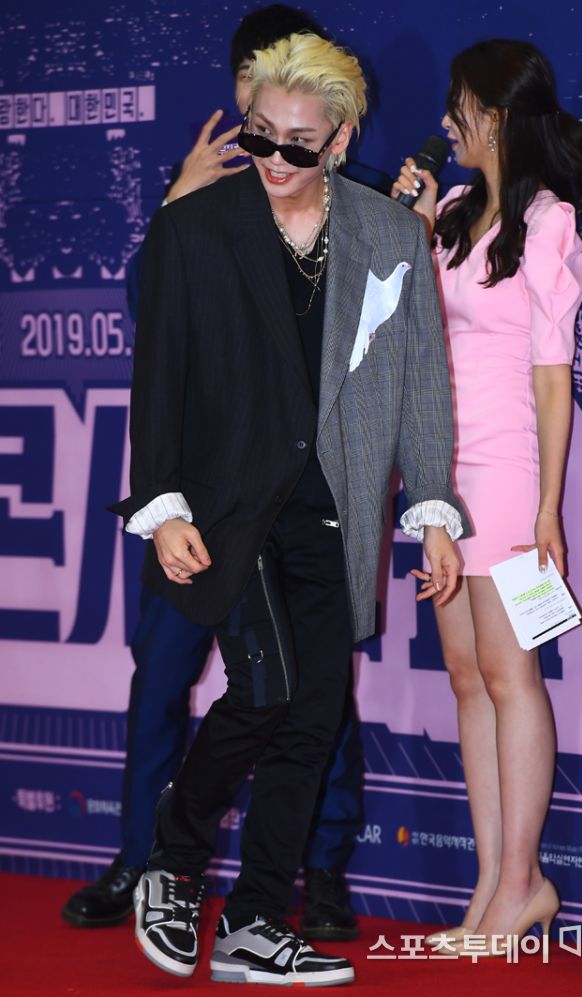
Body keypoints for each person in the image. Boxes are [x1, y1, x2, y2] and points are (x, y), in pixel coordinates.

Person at [112, 30, 467, 986]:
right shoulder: (195, 227)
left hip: (334, 507)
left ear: (340, 140)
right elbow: (160, 377)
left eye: (298, 143)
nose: (273, 157)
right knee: (267, 690)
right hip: (227, 505)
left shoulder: (390, 234)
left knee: (312, 717)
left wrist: (433, 506)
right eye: (260, 134)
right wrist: (163, 504)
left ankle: (257, 919)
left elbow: (421, 383)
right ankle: (174, 858)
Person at [61, 6, 363, 942]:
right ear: (241, 86)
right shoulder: (205, 187)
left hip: (299, 503)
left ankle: (318, 868)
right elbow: (150, 318)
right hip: (197, 497)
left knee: (311, 690)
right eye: (253, 82)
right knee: (163, 676)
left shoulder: (339, 200)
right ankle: (141, 857)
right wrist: (172, 204)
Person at [393, 38, 582, 951]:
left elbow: (553, 377)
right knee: (467, 676)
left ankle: (523, 882)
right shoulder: (449, 210)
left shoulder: (549, 222)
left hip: (511, 470)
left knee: (512, 676)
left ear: (500, 115)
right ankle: (490, 884)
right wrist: (411, 227)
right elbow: (411, 335)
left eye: (462, 107)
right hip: (442, 474)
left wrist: (549, 505)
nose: (448, 122)